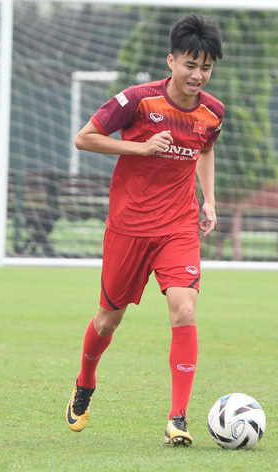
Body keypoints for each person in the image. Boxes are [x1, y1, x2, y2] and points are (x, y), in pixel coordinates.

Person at [65, 13, 223, 446]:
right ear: (171, 60)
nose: (197, 74)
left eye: (206, 67)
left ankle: (178, 418)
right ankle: (85, 381)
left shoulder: (213, 112)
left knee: (185, 309)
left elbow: (205, 150)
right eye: (190, 64)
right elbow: (85, 138)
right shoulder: (136, 100)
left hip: (178, 227)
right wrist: (138, 146)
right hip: (129, 228)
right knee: (107, 320)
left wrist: (207, 199)